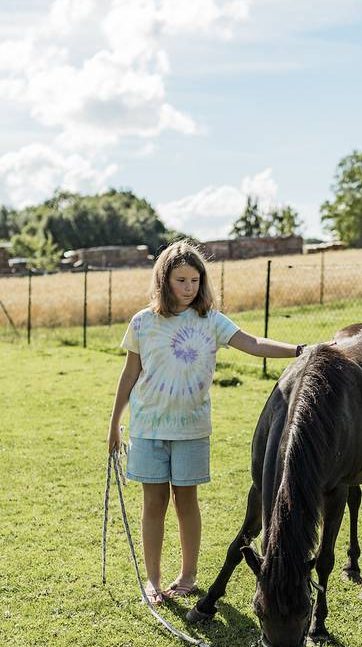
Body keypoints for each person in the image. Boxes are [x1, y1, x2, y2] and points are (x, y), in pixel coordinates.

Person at [107, 240, 307, 606]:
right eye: (181, 280)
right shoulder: (143, 323)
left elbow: (253, 342)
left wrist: (298, 350)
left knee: (186, 502)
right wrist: (114, 422)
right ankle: (152, 581)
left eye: (195, 280)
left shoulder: (211, 321)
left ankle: (187, 576)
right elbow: (129, 373)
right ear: (164, 281)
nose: (188, 288)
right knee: (154, 504)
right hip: (148, 428)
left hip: (191, 430)